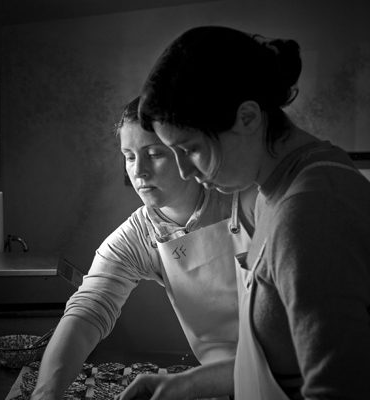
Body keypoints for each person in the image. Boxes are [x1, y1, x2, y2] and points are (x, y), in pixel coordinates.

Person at [118, 26, 370, 400]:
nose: (185, 171)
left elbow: (338, 389)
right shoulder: (271, 193)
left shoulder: (313, 210)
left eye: (191, 148)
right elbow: (279, 363)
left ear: (248, 117)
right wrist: (182, 385)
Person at [30, 96, 257, 400]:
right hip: (221, 384)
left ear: (186, 152)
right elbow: (87, 311)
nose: (140, 171)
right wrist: (45, 393)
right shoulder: (138, 235)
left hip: (290, 376)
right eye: (130, 156)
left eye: (154, 154)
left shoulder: (246, 201)